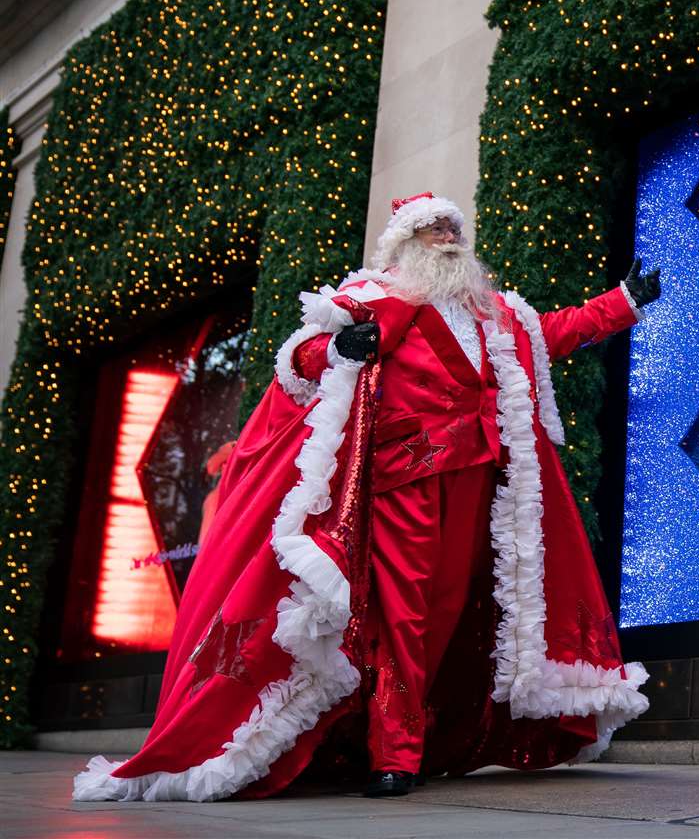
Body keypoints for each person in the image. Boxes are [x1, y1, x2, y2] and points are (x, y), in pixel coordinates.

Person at [74, 192, 660, 801]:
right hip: (401, 479)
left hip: (479, 483)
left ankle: (418, 736)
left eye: (452, 227)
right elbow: (301, 358)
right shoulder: (376, 297)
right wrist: (338, 348)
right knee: (403, 613)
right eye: (432, 229)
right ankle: (395, 755)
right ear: (405, 243)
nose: (447, 236)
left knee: (447, 613)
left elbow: (557, 333)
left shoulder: (496, 315)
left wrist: (623, 303)